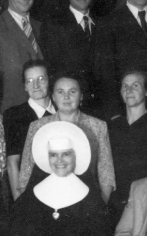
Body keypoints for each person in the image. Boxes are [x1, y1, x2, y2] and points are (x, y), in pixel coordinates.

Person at [17, 74, 115, 203]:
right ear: (53, 97)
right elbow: (25, 174)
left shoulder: (98, 126)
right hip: (46, 199)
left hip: (86, 200)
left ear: (81, 96)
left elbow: (106, 173)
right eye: (60, 92)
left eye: (72, 92)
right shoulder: (38, 126)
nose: (66, 97)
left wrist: (100, 205)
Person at [37, 0, 103, 115]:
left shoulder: (103, 23)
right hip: (69, 105)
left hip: (100, 106)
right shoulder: (53, 25)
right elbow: (52, 68)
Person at [107, 70, 147, 225]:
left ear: (146, 91)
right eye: (125, 86)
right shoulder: (112, 126)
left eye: (135, 85)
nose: (129, 90)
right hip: (115, 203)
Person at [3, 60, 55, 198]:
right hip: (30, 191)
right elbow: (12, 162)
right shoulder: (14, 115)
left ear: (49, 81)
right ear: (25, 86)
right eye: (30, 81)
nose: (36, 85)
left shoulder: (62, 110)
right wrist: (18, 200)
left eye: (41, 79)